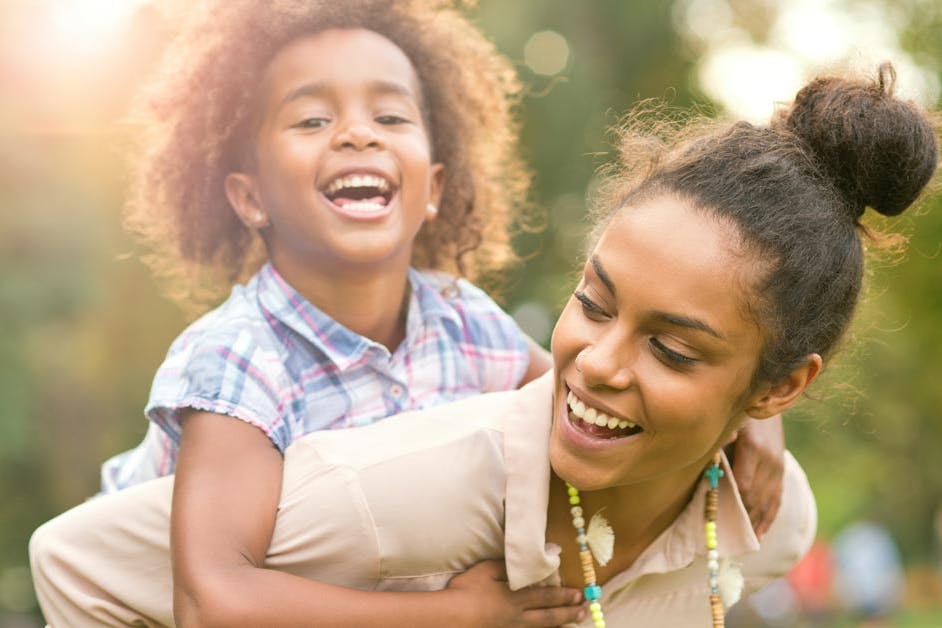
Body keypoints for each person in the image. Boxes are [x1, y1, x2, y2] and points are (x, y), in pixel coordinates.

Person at [30, 64, 938, 627]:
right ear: (245, 198)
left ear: (782, 385)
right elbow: (86, 566)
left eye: (675, 349)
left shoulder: (769, 520)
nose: (599, 361)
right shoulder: (378, 484)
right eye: (593, 302)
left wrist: (745, 422)